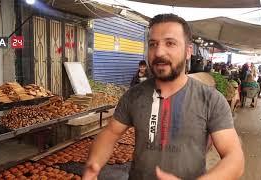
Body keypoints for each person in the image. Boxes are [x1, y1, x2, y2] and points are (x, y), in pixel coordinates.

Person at [83, 14, 244, 180]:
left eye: (170, 43)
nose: (159, 52)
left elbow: (234, 157)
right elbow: (110, 134)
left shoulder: (210, 99)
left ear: (188, 51)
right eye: (153, 44)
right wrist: (94, 164)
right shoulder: (134, 95)